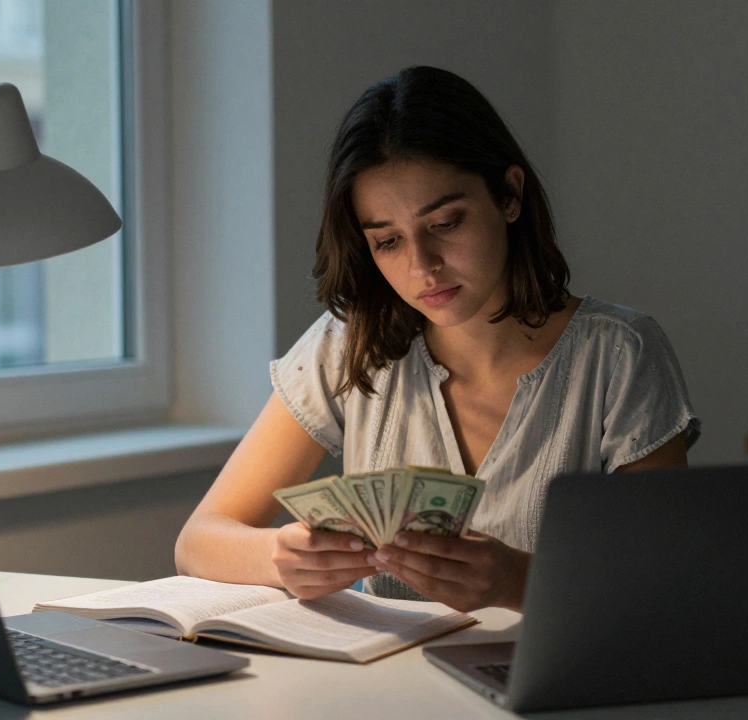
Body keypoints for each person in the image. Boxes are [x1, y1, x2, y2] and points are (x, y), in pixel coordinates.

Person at [175, 66, 701, 613]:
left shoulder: (619, 353)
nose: (422, 265)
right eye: (387, 241)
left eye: (446, 223)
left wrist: (519, 582)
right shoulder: (350, 344)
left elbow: (664, 580)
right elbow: (198, 542)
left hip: (553, 687)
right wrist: (278, 555)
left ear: (510, 195)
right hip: (387, 688)